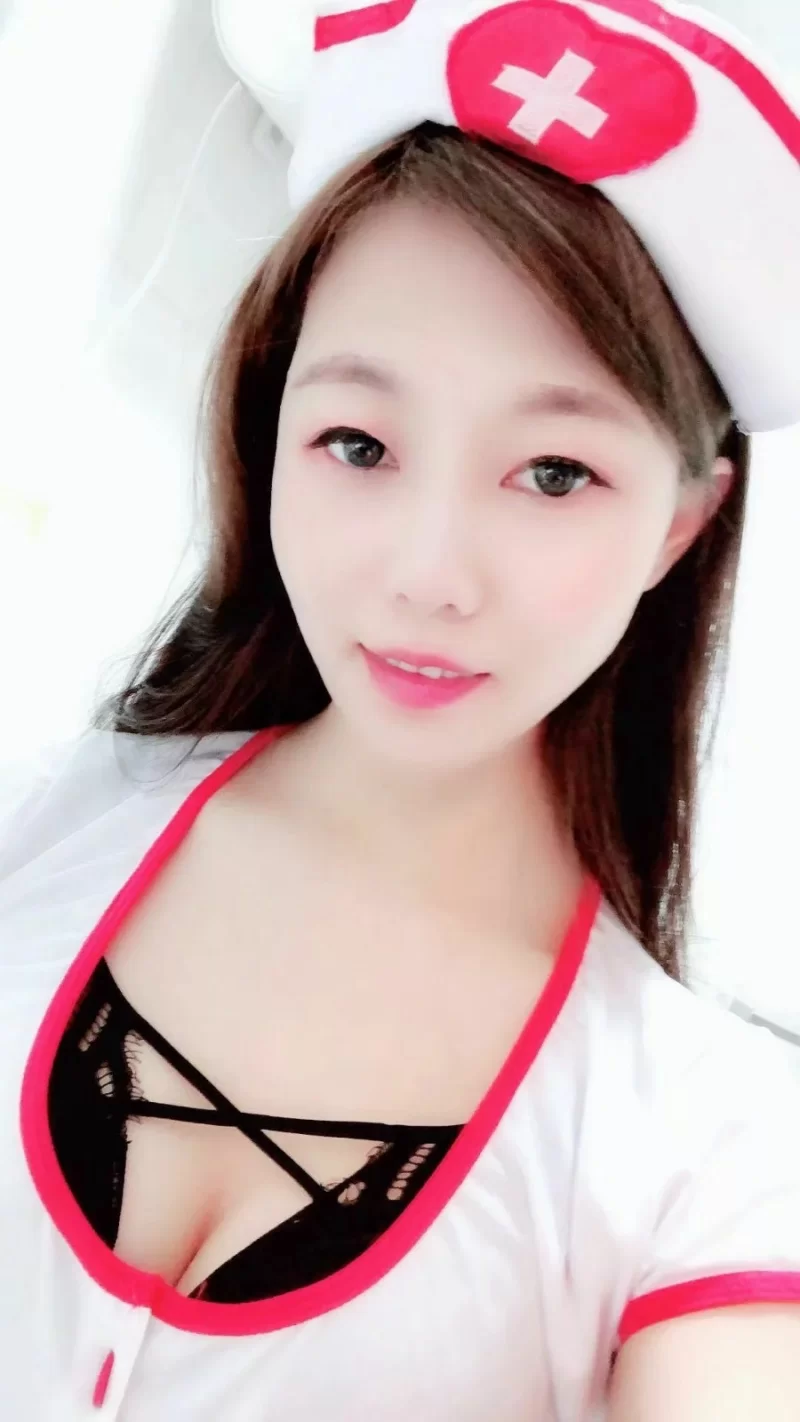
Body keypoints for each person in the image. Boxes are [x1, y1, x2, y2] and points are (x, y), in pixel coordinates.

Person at [2, 1, 800, 1417]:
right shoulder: (36, 821)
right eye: (359, 442)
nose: (430, 575)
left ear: (683, 523)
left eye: (554, 472)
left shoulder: (706, 1152)